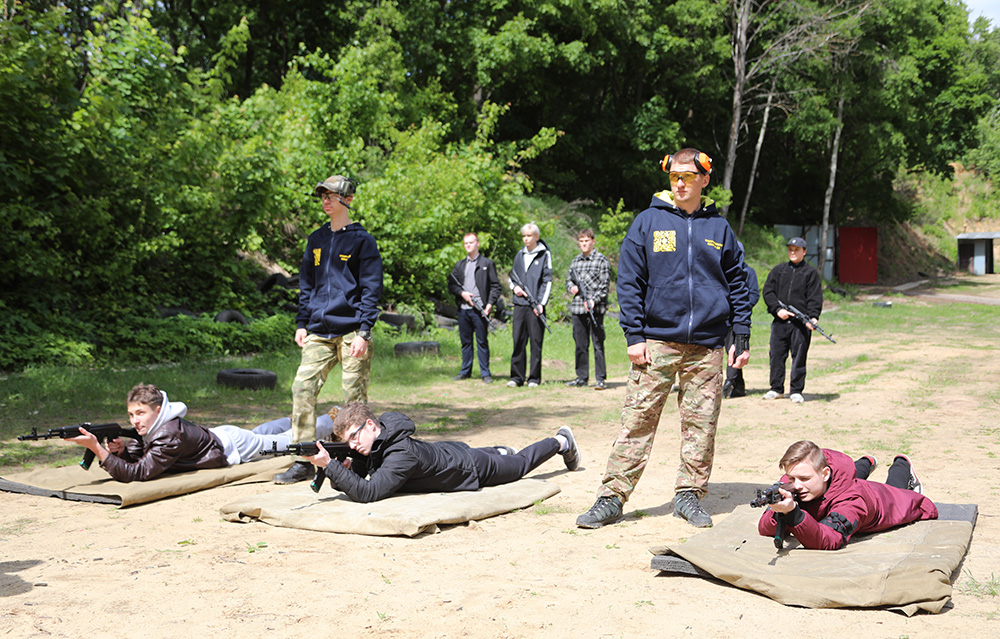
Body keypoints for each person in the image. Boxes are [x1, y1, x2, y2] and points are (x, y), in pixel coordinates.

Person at [576, 148, 753, 530]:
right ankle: (611, 497)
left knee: (701, 425)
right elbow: (629, 282)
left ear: (705, 180)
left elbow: (739, 281)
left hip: (707, 346)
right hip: (655, 341)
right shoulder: (648, 222)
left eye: (688, 176)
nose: (680, 182)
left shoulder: (719, 228)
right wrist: (634, 334)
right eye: (675, 175)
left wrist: (741, 332)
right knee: (637, 420)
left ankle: (689, 495)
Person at [274, 174, 384, 485]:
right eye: (322, 196)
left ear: (346, 200)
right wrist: (301, 323)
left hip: (352, 332)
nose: (325, 201)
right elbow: (306, 286)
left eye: (330, 196)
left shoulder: (363, 241)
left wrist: (364, 331)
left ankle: (359, 460)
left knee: (353, 402)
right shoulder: (316, 239)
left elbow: (371, 288)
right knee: (302, 389)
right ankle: (304, 460)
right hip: (319, 331)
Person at [302, 402, 581, 502]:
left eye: (353, 437)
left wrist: (330, 464)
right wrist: (338, 467)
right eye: (347, 442)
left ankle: (560, 441)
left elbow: (369, 493)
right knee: (493, 454)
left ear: (371, 424)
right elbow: (356, 480)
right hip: (446, 453)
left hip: (470, 468)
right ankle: (498, 450)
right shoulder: (376, 442)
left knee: (519, 465)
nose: (352, 446)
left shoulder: (401, 453)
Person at [66, 384, 331, 482]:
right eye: (131, 415)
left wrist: (97, 449)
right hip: (224, 436)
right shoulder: (160, 427)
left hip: (233, 446)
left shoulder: (168, 434)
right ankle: (289, 419)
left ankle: (331, 419)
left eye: (141, 414)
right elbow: (144, 454)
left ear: (158, 410)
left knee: (287, 443)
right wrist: (122, 450)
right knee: (262, 434)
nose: (135, 421)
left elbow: (140, 473)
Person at [757, 440, 937, 550]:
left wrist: (793, 514)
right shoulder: (801, 478)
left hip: (880, 500)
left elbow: (830, 539)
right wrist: (778, 512)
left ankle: (902, 464)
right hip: (833, 486)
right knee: (850, 473)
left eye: (804, 478)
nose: (797, 485)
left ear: (825, 473)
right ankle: (866, 462)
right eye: (791, 478)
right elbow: (765, 528)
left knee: (897, 491)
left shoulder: (852, 500)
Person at [760, 236, 823, 404]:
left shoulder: (811, 273)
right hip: (780, 323)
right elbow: (768, 292)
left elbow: (815, 298)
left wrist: (813, 317)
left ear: (804, 252)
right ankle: (776, 388)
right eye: (790, 249)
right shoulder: (778, 270)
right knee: (776, 356)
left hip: (800, 325)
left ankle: (796, 390)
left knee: (799, 357)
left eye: (796, 250)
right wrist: (777, 309)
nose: (792, 252)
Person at [448, 232, 502, 384]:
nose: (468, 245)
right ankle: (465, 371)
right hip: (463, 309)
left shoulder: (487, 264)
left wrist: (489, 304)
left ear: (478, 243)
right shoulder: (460, 265)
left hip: (480, 310)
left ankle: (485, 373)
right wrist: (462, 293)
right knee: (466, 342)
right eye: (466, 243)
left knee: (482, 342)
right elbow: (451, 285)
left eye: (471, 242)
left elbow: (495, 286)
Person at [507, 223, 552, 388]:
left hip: (536, 306)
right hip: (519, 304)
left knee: (535, 342)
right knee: (518, 340)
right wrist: (515, 288)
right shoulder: (519, 255)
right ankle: (516, 377)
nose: (526, 239)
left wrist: (541, 303)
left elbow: (547, 280)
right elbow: (512, 277)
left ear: (536, 237)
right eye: (524, 236)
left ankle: (534, 378)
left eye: (529, 236)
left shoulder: (544, 255)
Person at [565, 229, 611, 390]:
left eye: (587, 241)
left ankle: (600, 379)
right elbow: (568, 280)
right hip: (578, 308)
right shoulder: (576, 261)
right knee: (580, 344)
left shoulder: (601, 260)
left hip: (595, 310)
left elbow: (604, 286)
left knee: (598, 343)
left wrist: (593, 300)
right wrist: (571, 288)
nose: (584, 244)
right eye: (581, 241)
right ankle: (581, 377)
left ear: (593, 241)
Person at [723, 247, 760, 398]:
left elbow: (754, 294)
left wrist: (741, 309)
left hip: (739, 320)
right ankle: (739, 387)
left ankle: (729, 382)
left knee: (737, 349)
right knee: (729, 351)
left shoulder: (748, 272)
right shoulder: (723, 271)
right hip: (724, 318)